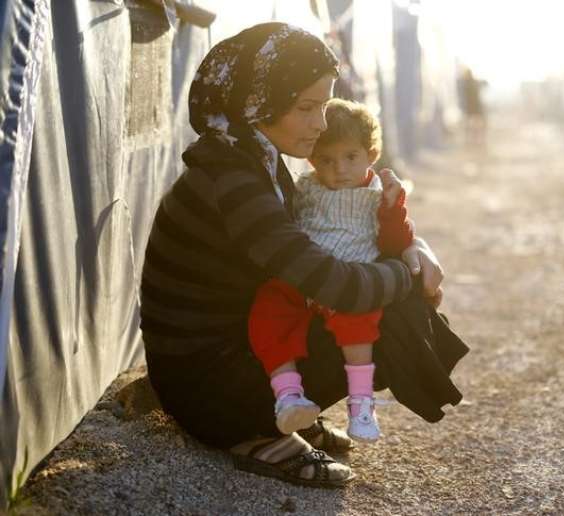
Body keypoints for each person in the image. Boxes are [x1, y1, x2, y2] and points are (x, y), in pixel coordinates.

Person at [140, 22, 468, 489]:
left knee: (382, 298)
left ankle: (281, 405)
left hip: (220, 362)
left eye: (324, 106)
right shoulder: (232, 179)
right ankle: (251, 432)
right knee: (389, 308)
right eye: (306, 107)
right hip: (207, 392)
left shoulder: (249, 160)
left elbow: (324, 246)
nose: (321, 123)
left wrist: (414, 245)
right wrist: (406, 274)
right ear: (258, 100)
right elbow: (333, 282)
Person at [247, 98, 414, 443]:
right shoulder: (306, 187)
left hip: (349, 278)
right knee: (268, 310)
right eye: (326, 160)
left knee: (359, 321)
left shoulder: (378, 195)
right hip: (303, 277)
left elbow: (396, 242)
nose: (339, 169)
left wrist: (395, 209)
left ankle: (361, 403)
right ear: (312, 161)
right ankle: (289, 396)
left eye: (350, 157)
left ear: (371, 154)